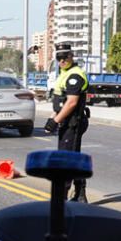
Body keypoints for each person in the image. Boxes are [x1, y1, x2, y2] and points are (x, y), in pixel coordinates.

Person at [44, 42, 90, 202]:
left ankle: (63, 197)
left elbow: (71, 102)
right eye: (59, 58)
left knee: (66, 159)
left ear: (71, 56)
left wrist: (55, 121)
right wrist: (52, 118)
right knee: (72, 157)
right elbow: (61, 101)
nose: (62, 61)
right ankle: (80, 194)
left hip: (73, 122)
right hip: (66, 120)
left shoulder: (74, 75)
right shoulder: (64, 73)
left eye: (65, 57)